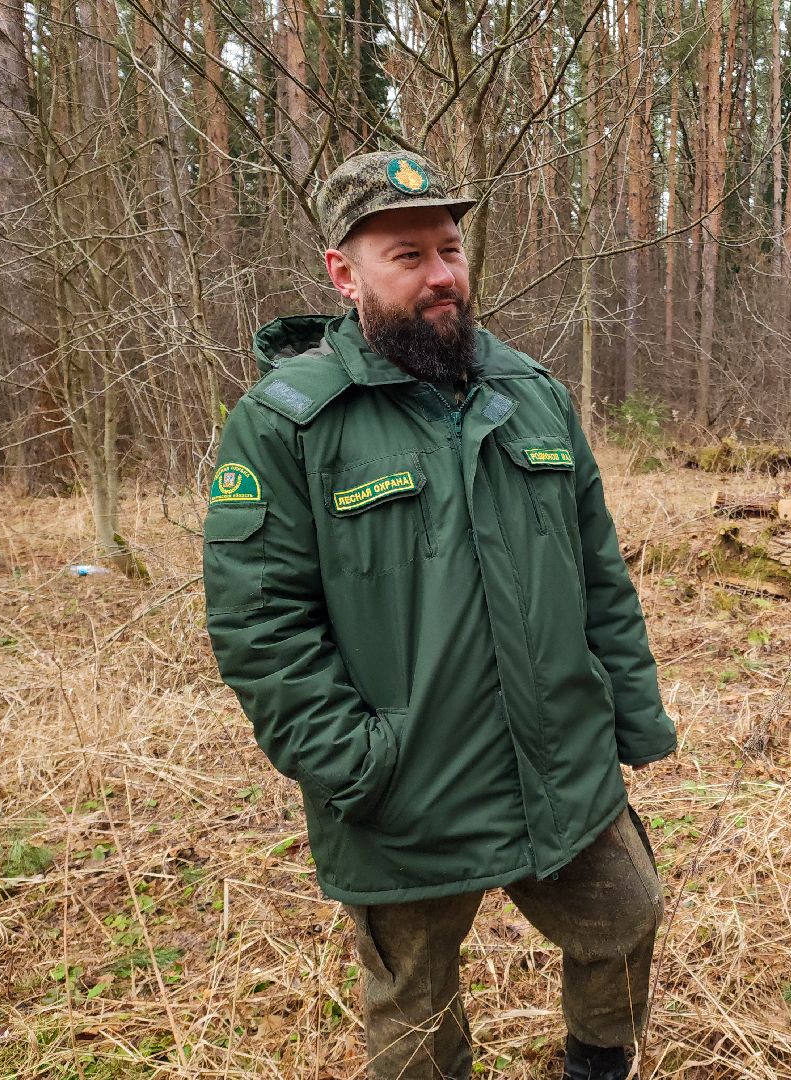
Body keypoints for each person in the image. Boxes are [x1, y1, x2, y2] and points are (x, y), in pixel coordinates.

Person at [202, 150, 676, 1080]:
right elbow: (260, 626)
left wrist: (628, 716)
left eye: (450, 249)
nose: (442, 276)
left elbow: (598, 577)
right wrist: (358, 762)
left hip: (559, 764)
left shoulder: (532, 395)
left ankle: (594, 1067)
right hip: (405, 787)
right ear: (344, 274)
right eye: (407, 255)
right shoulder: (287, 424)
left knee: (625, 919)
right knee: (415, 1014)